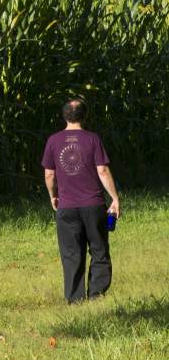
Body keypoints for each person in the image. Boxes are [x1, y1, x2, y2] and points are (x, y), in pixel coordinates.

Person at [42, 98, 120, 304]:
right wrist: (114, 197)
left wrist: (53, 195)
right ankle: (96, 295)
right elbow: (102, 170)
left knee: (71, 253)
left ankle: (75, 299)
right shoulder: (92, 139)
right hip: (93, 205)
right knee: (99, 250)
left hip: (67, 207)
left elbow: (49, 174)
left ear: (64, 115)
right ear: (85, 116)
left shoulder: (53, 140)